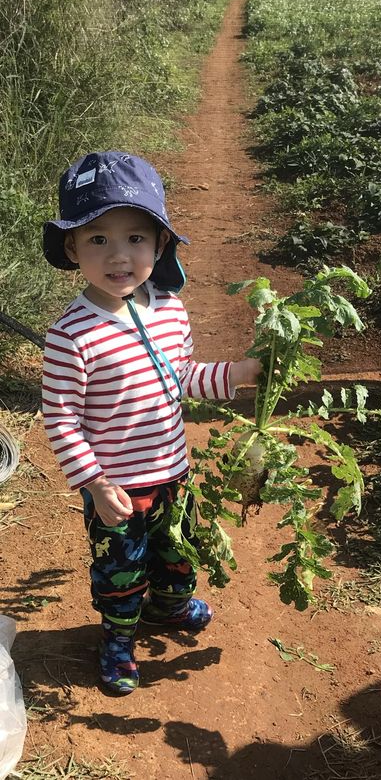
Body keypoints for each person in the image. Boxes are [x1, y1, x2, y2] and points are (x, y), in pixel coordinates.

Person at [41, 150, 262, 695]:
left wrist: (236, 373)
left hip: (172, 471)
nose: (120, 255)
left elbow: (183, 376)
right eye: (98, 239)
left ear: (160, 243)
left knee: (178, 550)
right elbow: (61, 416)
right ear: (72, 249)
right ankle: (117, 639)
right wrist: (95, 481)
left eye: (136, 238)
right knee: (120, 572)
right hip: (118, 486)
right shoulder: (71, 335)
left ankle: (170, 606)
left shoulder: (169, 309)